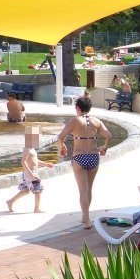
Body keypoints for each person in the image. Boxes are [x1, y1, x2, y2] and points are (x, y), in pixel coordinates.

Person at [57, 97, 112, 229]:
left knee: (83, 191)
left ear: (78, 108)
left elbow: (60, 137)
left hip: (79, 157)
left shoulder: (75, 120)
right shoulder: (96, 121)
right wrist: (104, 148)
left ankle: (87, 220)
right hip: (94, 157)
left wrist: (62, 147)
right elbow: (109, 136)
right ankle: (85, 216)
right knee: (89, 189)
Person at [7, 128, 53, 213]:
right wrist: (30, 173)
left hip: (31, 172)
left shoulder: (32, 149)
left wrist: (46, 164)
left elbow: (35, 160)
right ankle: (37, 208)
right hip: (30, 173)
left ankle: (10, 201)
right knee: (38, 189)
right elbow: (23, 161)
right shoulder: (27, 149)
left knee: (25, 190)